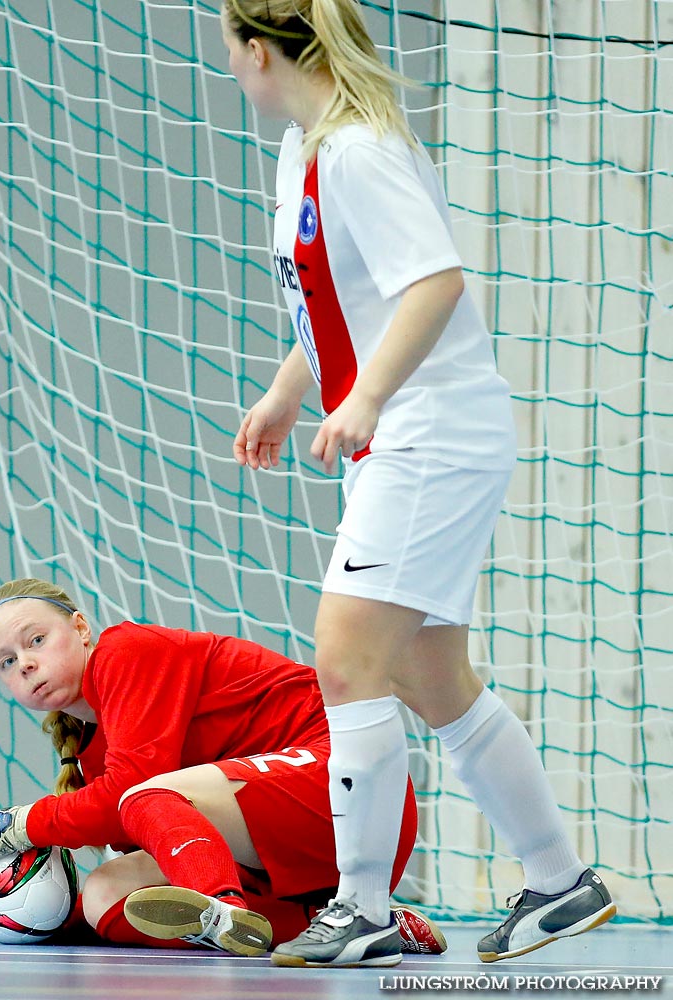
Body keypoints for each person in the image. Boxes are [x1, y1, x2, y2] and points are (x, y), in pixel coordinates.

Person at [222, 0, 615, 969]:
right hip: (403, 434)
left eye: (231, 53)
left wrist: (366, 402)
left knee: (345, 652)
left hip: (434, 430)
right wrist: (287, 392)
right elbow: (336, 300)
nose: (232, 70)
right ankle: (561, 879)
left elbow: (432, 282)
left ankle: (363, 905)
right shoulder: (301, 155)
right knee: (428, 675)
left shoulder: (358, 149)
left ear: (260, 50)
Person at [0, 578, 448, 959]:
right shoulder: (91, 749)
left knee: (143, 795)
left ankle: (226, 912)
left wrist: (15, 825)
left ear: (81, 628)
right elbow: (152, 835)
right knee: (105, 892)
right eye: (7, 662)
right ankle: (345, 919)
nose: (25, 665)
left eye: (36, 640)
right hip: (289, 841)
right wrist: (46, 914)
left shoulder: (125, 652)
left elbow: (130, 795)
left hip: (350, 785)